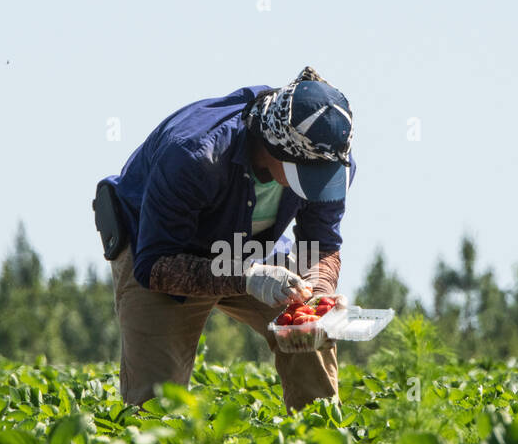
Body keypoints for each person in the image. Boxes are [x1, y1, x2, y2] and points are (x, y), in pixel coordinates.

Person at [97, 66, 355, 410]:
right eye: (306, 176)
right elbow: (155, 266)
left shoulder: (326, 153)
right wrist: (245, 278)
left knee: (309, 333)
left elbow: (321, 244)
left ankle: (317, 440)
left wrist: (319, 297)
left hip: (253, 243)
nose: (316, 184)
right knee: (155, 403)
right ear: (272, 147)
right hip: (163, 249)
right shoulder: (193, 155)